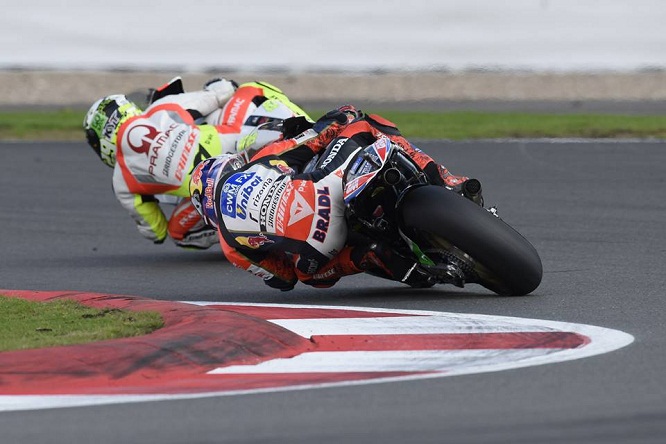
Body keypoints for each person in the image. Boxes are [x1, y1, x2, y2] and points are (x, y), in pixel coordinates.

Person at [189, 105, 481, 291]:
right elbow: (312, 140)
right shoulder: (260, 162)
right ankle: (445, 178)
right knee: (367, 125)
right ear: (231, 166)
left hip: (320, 248)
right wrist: (342, 116)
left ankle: (397, 264)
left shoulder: (230, 247)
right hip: (328, 189)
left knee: (310, 276)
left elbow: (284, 279)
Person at [83, 77, 312, 249]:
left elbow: (156, 231)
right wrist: (218, 83)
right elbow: (219, 93)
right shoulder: (160, 109)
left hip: (215, 188)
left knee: (177, 232)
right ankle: (311, 129)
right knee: (252, 88)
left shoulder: (122, 181)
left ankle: (246, 234)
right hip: (243, 145)